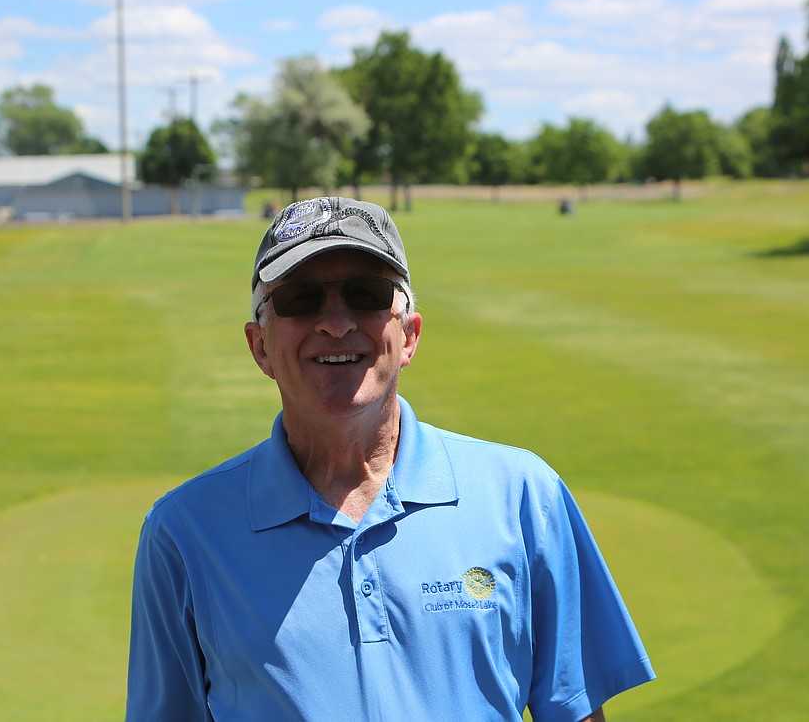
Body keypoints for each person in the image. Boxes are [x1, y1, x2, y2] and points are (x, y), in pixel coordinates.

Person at [125, 196, 654, 721]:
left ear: (409, 337)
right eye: (300, 299)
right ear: (259, 345)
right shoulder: (183, 532)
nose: (335, 322)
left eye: (366, 294)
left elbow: (575, 710)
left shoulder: (523, 494)